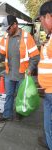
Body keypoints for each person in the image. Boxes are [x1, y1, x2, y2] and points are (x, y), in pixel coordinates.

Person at [0, 15, 40, 122]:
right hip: (9, 74)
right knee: (9, 95)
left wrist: (31, 68)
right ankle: (7, 115)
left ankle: (19, 113)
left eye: (8, 28)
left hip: (22, 75)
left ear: (15, 24)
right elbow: (1, 55)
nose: (7, 31)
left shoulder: (27, 37)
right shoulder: (6, 38)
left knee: (21, 96)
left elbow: (35, 57)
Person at [37, 1, 52, 149]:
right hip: (47, 92)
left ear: (48, 16)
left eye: (41, 20)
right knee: (49, 126)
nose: (41, 24)